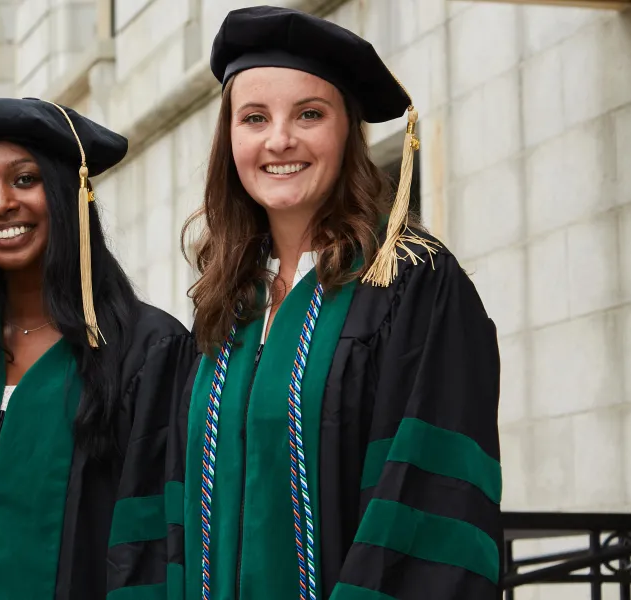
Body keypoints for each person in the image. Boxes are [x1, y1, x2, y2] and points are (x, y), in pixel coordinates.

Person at [178, 6, 502, 599]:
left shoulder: (413, 284)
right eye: (254, 118)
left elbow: (425, 505)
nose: (280, 139)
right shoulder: (226, 303)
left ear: (348, 131)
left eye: (309, 114)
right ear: (230, 140)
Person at [0, 97, 201, 599]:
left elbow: (158, 545)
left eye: (25, 179)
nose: (1, 202)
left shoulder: (147, 352)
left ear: (72, 195)